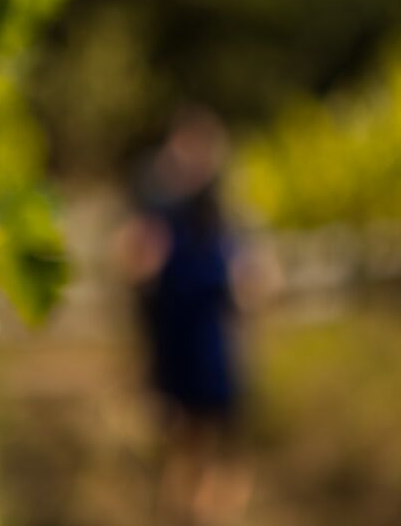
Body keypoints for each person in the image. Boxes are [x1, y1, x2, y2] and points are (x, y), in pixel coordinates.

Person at [115, 108, 251, 525]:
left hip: (210, 345)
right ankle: (182, 510)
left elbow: (252, 278)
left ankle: (202, 510)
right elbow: (130, 259)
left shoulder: (223, 215)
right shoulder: (158, 206)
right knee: (176, 440)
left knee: (208, 439)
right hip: (172, 342)